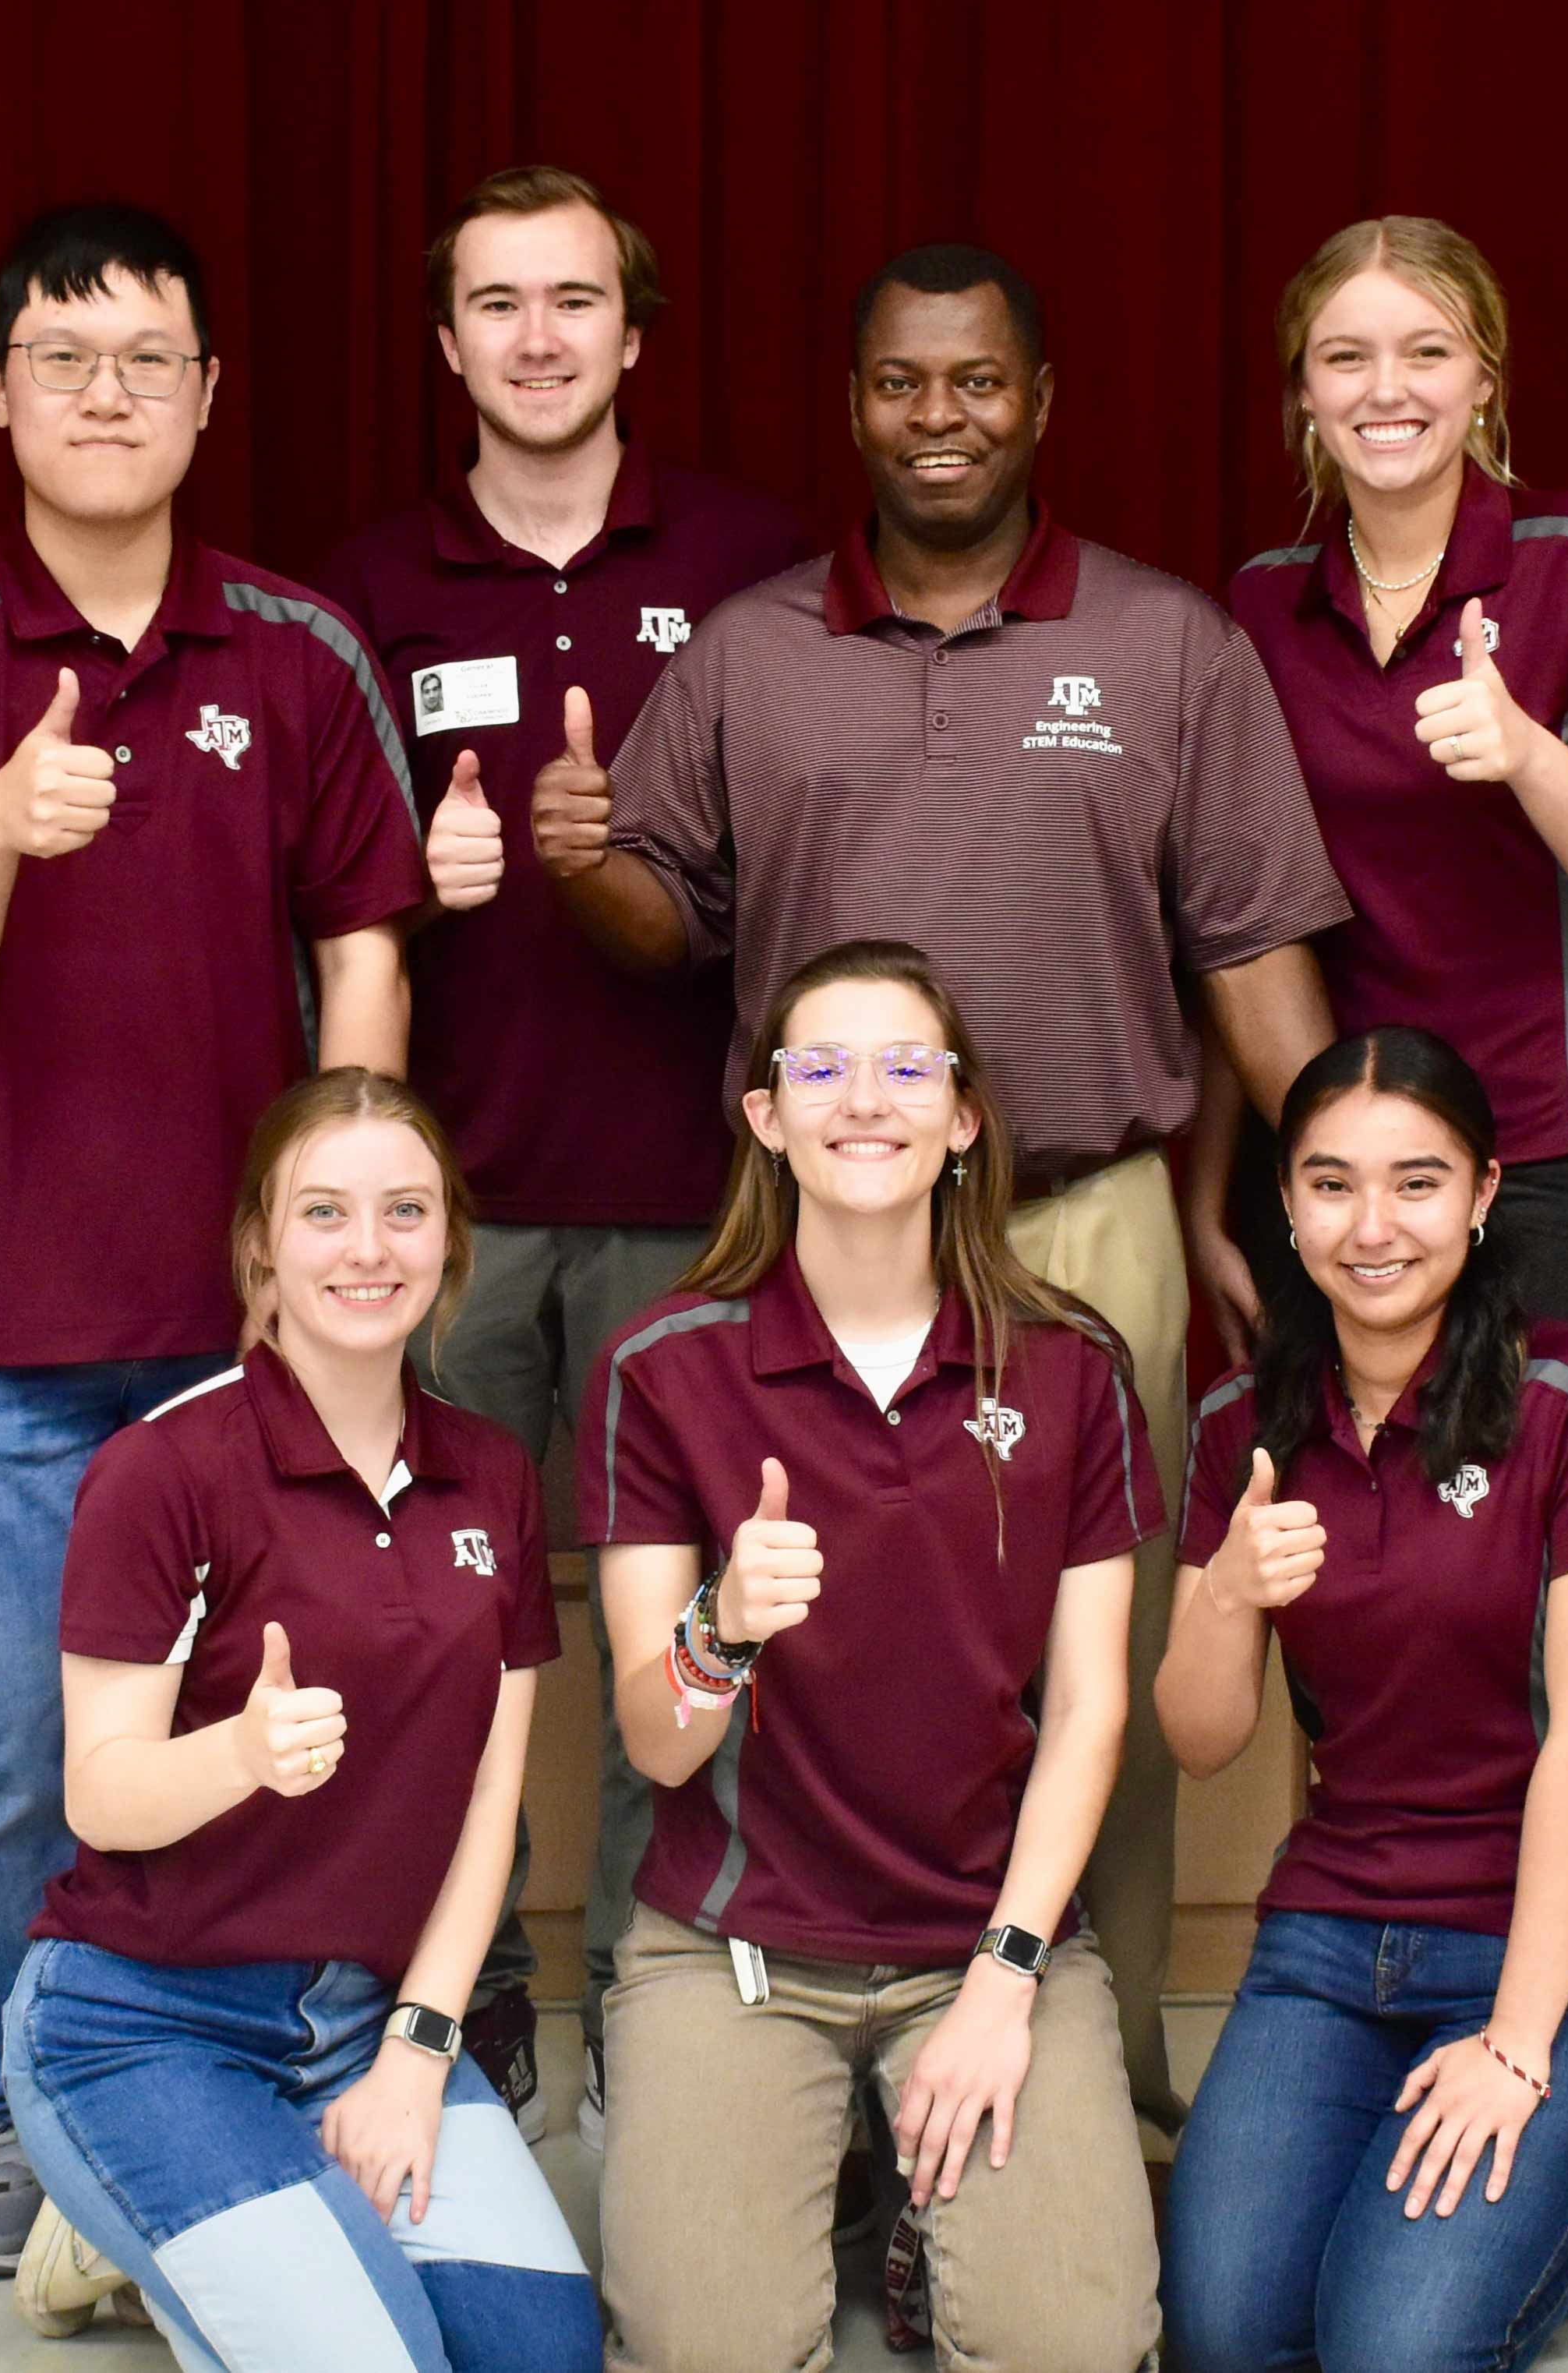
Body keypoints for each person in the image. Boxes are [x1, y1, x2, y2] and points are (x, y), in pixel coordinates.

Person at [535, 242, 1351, 2131]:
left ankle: (1087, 2071)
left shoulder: (1163, 646)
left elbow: (1248, 961)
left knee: (1103, 1662)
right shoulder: (749, 649)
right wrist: (585, 859)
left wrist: (1325, 1200)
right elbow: (663, 926)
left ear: (1040, 400)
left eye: (976, 381)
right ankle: (809, 2063)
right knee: (815, 1645)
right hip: (822, 1233)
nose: (939, 418)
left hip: (1083, 1218)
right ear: (854, 406)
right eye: (902, 383)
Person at [0, 200, 424, 2277]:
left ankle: (254, 2059)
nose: (103, 394)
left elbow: (363, 943)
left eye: (143, 358)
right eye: (61, 359)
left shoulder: (296, 645)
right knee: (10, 1743)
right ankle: (19, 2098)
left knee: (266, 1718)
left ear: (202, 393)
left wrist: (327, 1234)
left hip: (240, 1329)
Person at [313, 163, 811, 2142]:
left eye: (575, 301)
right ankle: (470, 1995)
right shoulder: (361, 586)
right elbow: (296, 903)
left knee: (663, 1629)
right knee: (436, 1627)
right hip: (445, 1227)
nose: (538, 337)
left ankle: (639, 1994)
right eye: (498, 304)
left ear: (634, 332)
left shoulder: (759, 564)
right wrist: (415, 885)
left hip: (693, 1210)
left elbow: (816, 855)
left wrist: (645, 861)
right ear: (449, 342)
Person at [583, 940, 1164, 2373]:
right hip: (735, 1949)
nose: (865, 1098)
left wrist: (1006, 1976)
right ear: (766, 1117)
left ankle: (927, 2209)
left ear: (962, 1118)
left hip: (986, 1937)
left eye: (907, 1067)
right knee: (701, 2351)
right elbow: (656, 1740)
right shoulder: (663, 1366)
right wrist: (720, 1628)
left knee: (1073, 2351)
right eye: (820, 1067)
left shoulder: (1072, 1364)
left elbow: (1091, 1711)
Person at [1, 1068, 599, 2373]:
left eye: (405, 1211)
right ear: (261, 1246)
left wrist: (416, 2053)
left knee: (540, 2356)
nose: (368, 1247)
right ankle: (148, 2220)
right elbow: (101, 1794)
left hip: (365, 2019)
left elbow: (489, 1807)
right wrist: (240, 1754)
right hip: (143, 2023)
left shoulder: (491, 1473)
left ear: (449, 1247)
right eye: (323, 1212)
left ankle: (199, 2236)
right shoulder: (163, 1469)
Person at [1155, 1026, 1568, 2373]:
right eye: (1330, 1183)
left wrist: (1517, 2045)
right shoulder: (1244, 1417)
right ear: (1284, 1206)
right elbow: (1200, 1734)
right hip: (1335, 1935)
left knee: (1391, 2351)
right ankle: (1488, 2166)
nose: (1372, 1226)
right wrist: (1228, 1590)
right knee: (1227, 2334)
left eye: (1416, 1182)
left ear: (1480, 1194)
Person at [1206, 218, 1568, 1355]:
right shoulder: (1257, 605)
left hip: (1557, 1158)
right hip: (1340, 1174)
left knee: (1533, 1511)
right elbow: (1228, 937)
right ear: (1302, 392)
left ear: (1483, 378)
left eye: (1426, 352)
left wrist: (1530, 755)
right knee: (1354, 1515)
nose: (1386, 389)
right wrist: (1204, 1200)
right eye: (1345, 357)